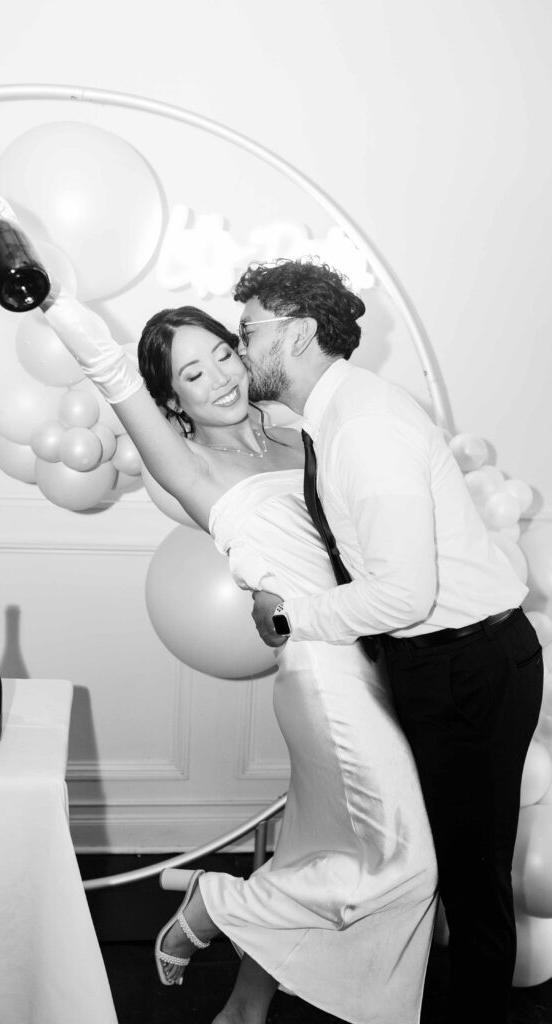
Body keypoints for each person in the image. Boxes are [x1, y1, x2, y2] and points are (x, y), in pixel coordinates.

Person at [0, 187, 437, 1024]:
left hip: (375, 647)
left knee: (316, 848)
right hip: (321, 678)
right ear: (172, 401)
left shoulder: (299, 431)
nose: (218, 376)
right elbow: (108, 366)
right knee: (407, 863)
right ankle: (213, 905)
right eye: (192, 372)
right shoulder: (184, 464)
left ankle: (246, 1006)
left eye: (222, 353)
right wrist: (22, 266)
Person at [237, 257, 544, 1024]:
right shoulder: (338, 415)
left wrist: (290, 619)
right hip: (439, 661)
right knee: (439, 863)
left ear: (298, 333)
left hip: (467, 666)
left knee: (471, 881)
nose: (240, 349)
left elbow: (403, 593)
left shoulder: (364, 427)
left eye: (247, 332)